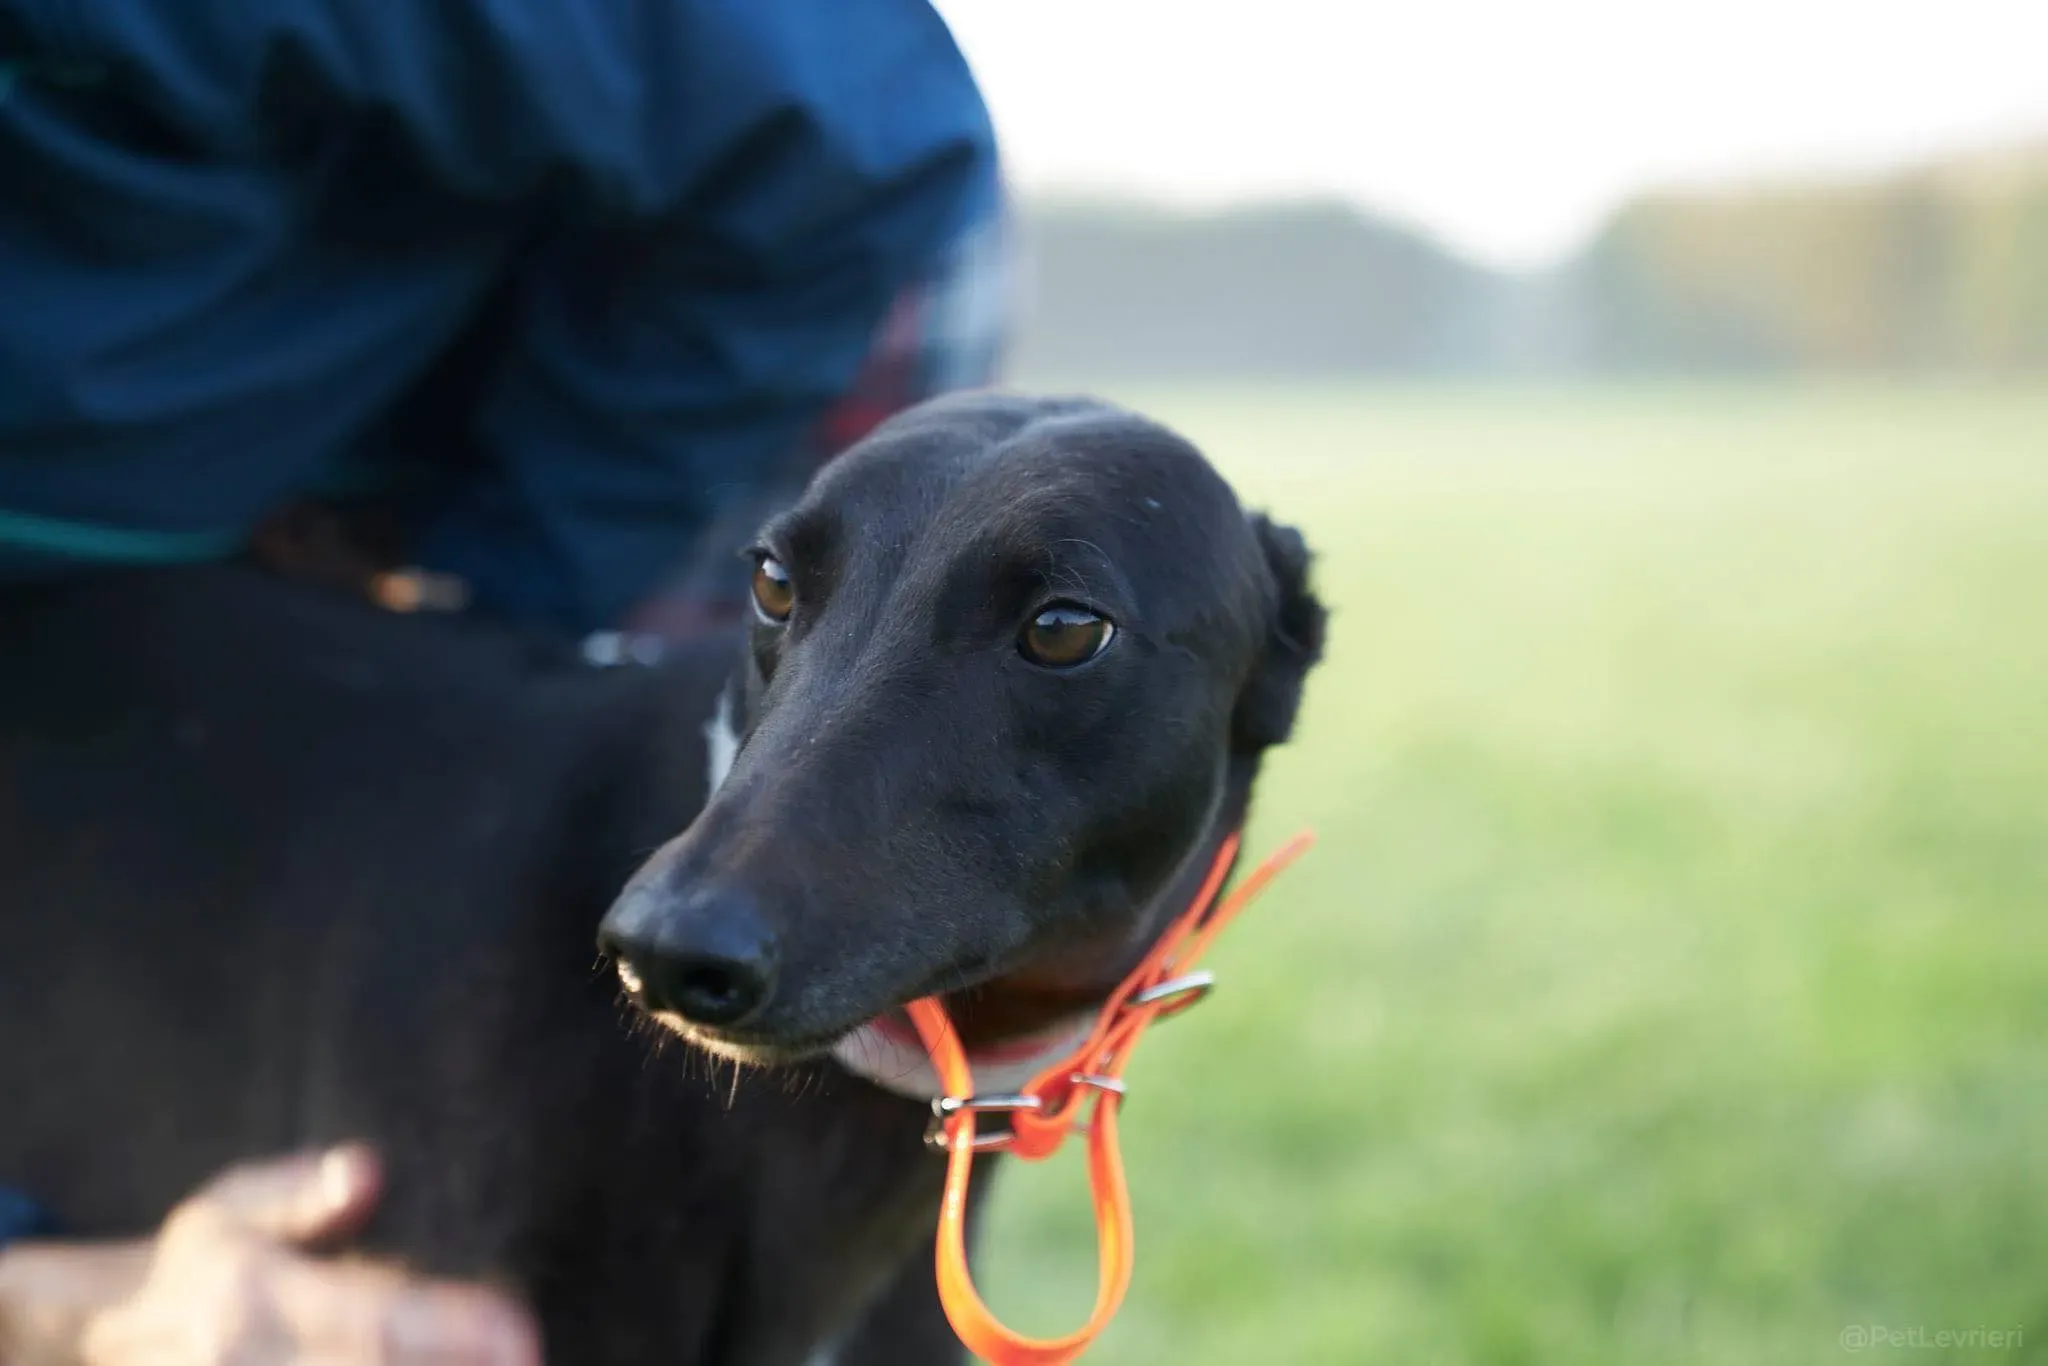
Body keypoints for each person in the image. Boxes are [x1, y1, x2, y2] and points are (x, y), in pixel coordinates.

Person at [0, 0, 1010, 1360]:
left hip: (725, 275)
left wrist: (482, 592)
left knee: (697, 986)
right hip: (168, 459)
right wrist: (55, 1296)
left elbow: (848, 124)